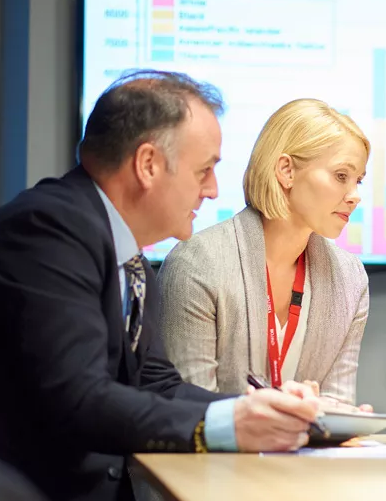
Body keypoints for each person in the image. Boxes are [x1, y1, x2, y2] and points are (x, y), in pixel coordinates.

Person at [0, 71, 322, 501]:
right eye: (204, 171)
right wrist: (230, 425)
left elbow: (157, 382)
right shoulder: (46, 232)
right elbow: (80, 400)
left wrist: (263, 410)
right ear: (148, 164)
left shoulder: (118, 247)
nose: (214, 190)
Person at [152, 98, 372, 410]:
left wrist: (345, 416)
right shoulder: (198, 262)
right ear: (286, 171)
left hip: (306, 457)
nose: (355, 196)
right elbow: (188, 411)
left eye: (358, 180)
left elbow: (336, 404)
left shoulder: (350, 277)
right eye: (341, 176)